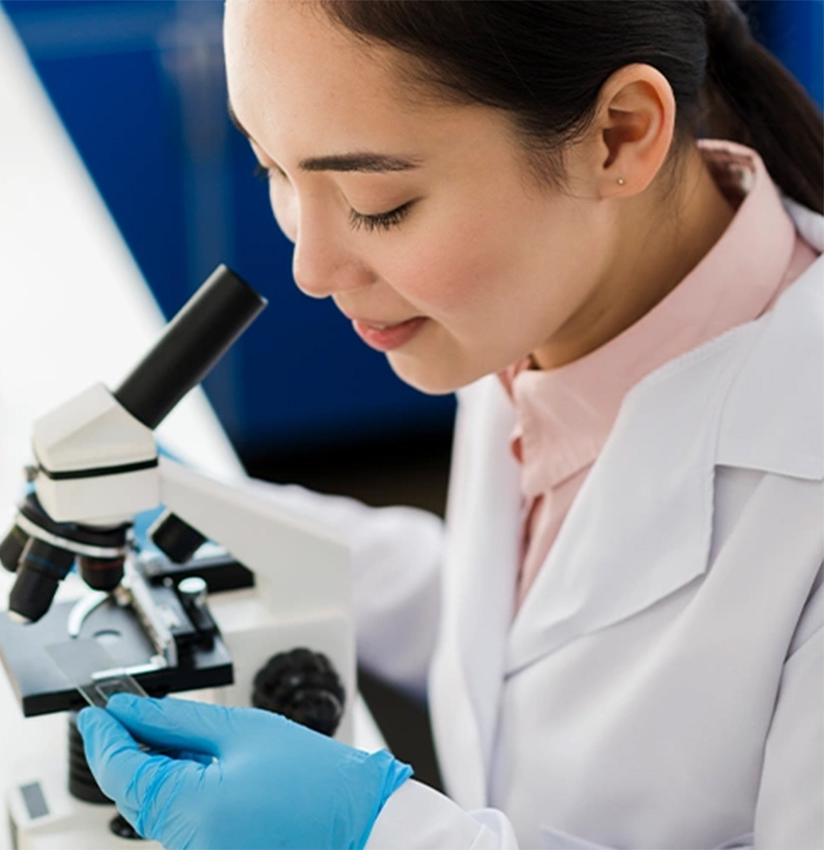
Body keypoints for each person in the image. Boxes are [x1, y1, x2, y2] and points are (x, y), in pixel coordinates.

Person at [77, 1, 824, 848]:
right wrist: (230, 518)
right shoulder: (548, 305)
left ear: (617, 136)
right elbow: (517, 625)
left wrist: (384, 834)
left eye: (379, 202)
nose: (309, 270)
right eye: (272, 170)